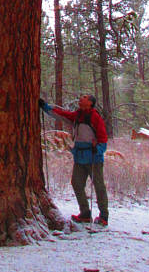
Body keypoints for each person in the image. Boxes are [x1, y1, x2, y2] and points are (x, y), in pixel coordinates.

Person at [39, 94, 109, 226]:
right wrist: (45, 107)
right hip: (80, 157)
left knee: (99, 187)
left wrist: (98, 150)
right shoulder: (77, 115)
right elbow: (62, 115)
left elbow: (103, 139)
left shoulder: (95, 117)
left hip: (94, 158)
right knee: (76, 183)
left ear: (90, 103)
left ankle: (104, 216)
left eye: (84, 97)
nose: (80, 98)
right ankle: (85, 213)